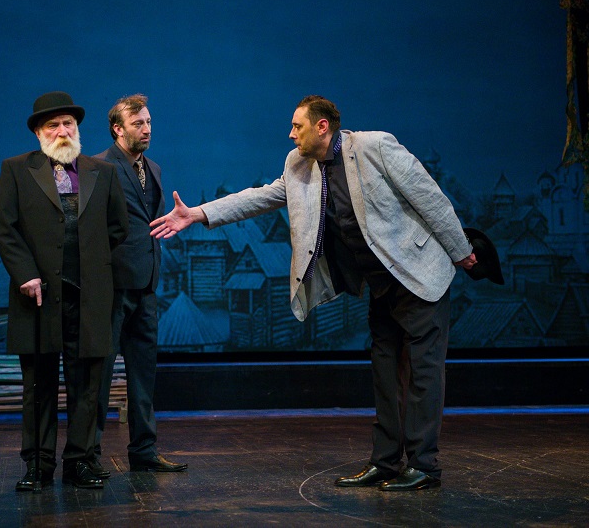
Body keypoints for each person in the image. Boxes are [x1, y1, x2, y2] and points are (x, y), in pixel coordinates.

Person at [150, 95, 477, 491]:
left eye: (297, 126)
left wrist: (461, 250)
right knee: (385, 374)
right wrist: (198, 213)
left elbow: (429, 197)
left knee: (423, 374)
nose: (291, 135)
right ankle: (386, 462)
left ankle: (424, 466)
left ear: (322, 127)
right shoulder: (299, 165)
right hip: (381, 286)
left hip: (419, 275)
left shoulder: (373, 146)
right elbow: (259, 197)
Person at [0, 91, 129, 491]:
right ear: (38, 132)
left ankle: (81, 462)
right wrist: (26, 273)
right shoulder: (16, 169)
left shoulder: (102, 172)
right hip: (37, 297)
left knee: (86, 385)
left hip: (88, 296)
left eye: (68, 123)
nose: (62, 131)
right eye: (52, 125)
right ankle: (38, 464)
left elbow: (117, 228)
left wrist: (92, 265)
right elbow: (6, 228)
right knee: (38, 386)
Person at [91, 94, 187, 475]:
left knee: (143, 374)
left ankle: (144, 451)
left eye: (148, 122)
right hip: (112, 288)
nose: (146, 129)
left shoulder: (154, 169)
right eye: (138, 124)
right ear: (118, 129)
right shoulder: (100, 166)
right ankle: (87, 455)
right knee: (98, 377)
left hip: (146, 287)